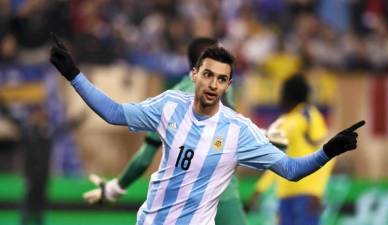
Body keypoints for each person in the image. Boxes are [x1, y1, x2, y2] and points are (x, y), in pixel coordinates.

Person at [49, 33, 364, 225]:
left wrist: (327, 151)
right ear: (194, 74)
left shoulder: (237, 131)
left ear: (229, 85)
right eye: (208, 75)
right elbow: (114, 113)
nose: (214, 84)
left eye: (222, 79)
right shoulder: (170, 105)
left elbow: (291, 169)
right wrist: (74, 74)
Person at [83, 37, 248, 225]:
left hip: (179, 204)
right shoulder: (222, 88)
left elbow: (146, 155)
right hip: (222, 195)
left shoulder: (172, 100)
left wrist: (115, 188)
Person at [246, 74, 334, 225]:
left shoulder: (309, 116)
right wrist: (258, 192)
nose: (279, 98)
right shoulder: (284, 121)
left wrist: (316, 191)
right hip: (285, 196)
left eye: (282, 93)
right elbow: (275, 161)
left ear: (290, 96)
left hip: (307, 196)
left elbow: (327, 154)